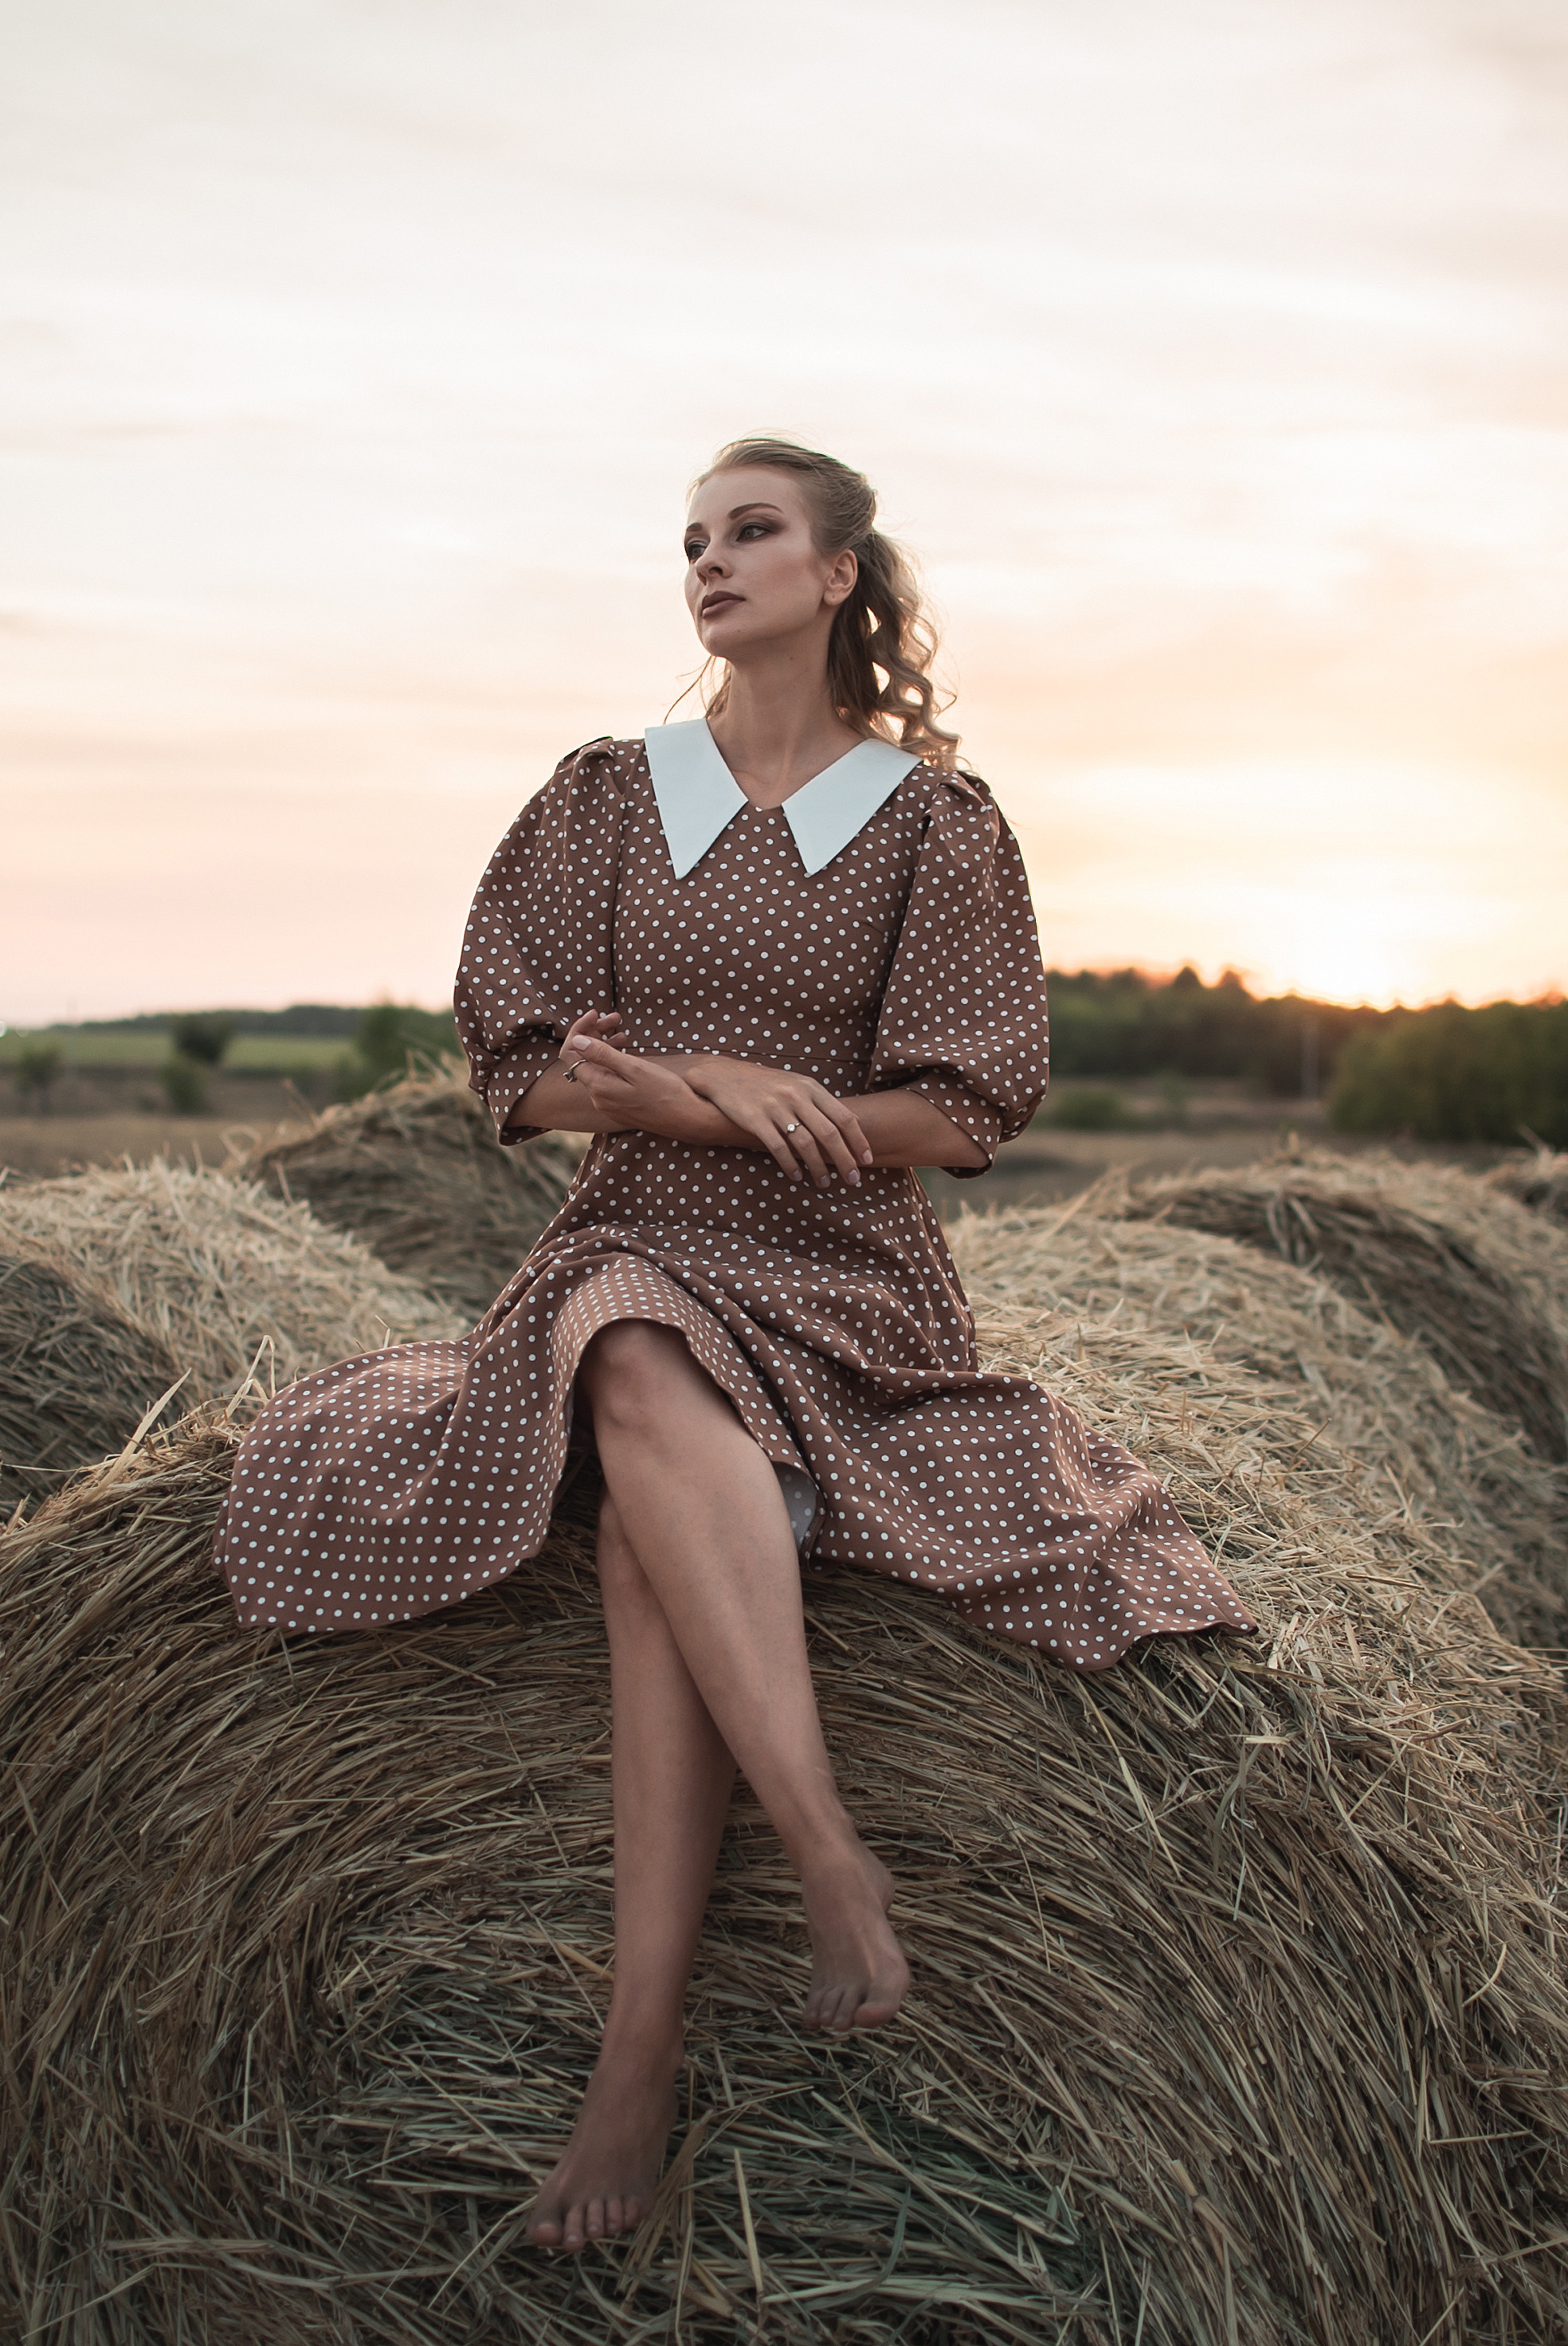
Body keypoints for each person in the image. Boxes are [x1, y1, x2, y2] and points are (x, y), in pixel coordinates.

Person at [212, 436, 1256, 2255]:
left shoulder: (934, 824)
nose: (709, 559)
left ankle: (635, 2061)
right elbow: (523, 1072)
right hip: (628, 1241)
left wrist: (700, 1095)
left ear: (839, 571)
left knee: (645, 1530)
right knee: (625, 1335)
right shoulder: (608, 795)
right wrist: (711, 1088)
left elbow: (962, 1110)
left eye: (751, 531)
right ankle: (824, 1854)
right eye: (692, 537)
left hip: (842, 1273)